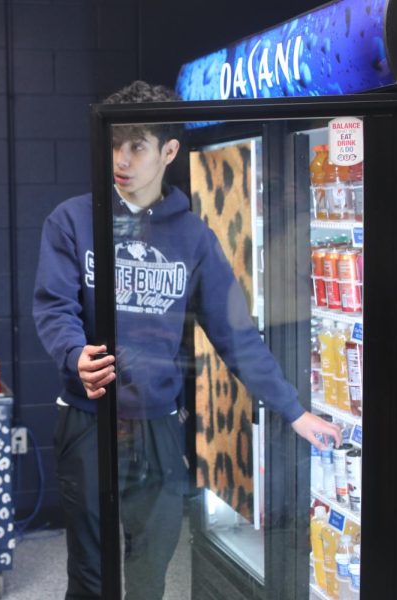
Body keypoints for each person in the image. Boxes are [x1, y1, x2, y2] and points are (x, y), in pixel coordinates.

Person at [32, 81, 342, 600]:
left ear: (169, 151)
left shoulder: (193, 237)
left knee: (152, 567)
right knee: (90, 572)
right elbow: (54, 305)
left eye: (137, 146)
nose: (122, 159)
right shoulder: (71, 219)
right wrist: (73, 352)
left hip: (156, 424)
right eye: (116, 145)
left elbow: (235, 334)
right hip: (88, 419)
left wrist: (293, 410)